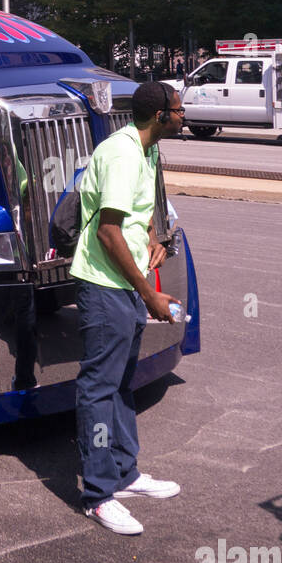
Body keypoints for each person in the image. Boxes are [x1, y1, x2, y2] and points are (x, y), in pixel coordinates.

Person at [71, 81, 185, 534]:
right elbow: (107, 232)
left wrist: (153, 239)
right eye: (178, 110)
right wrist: (148, 292)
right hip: (105, 286)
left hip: (123, 283)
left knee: (121, 382)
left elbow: (137, 214)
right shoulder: (121, 155)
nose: (183, 116)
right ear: (160, 116)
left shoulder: (148, 148)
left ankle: (125, 472)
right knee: (99, 387)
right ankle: (98, 495)